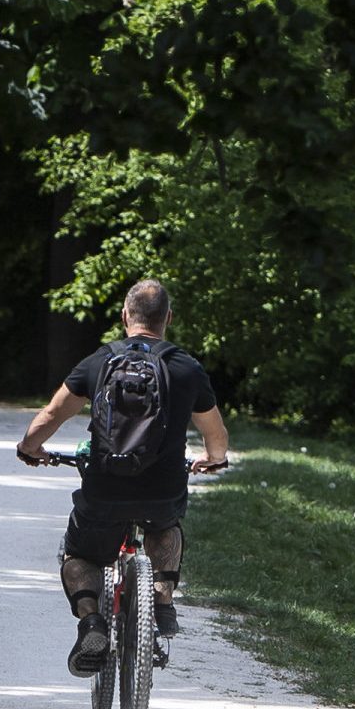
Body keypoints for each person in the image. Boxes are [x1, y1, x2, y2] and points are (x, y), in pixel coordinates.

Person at [15, 279, 232, 675]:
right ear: (168, 318)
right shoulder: (186, 368)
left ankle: (92, 624)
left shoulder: (99, 362)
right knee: (166, 526)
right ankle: (162, 600)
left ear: (124, 316)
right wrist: (214, 459)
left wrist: (30, 448)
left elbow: (52, 415)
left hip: (104, 488)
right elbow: (215, 434)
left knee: (78, 554)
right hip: (162, 488)